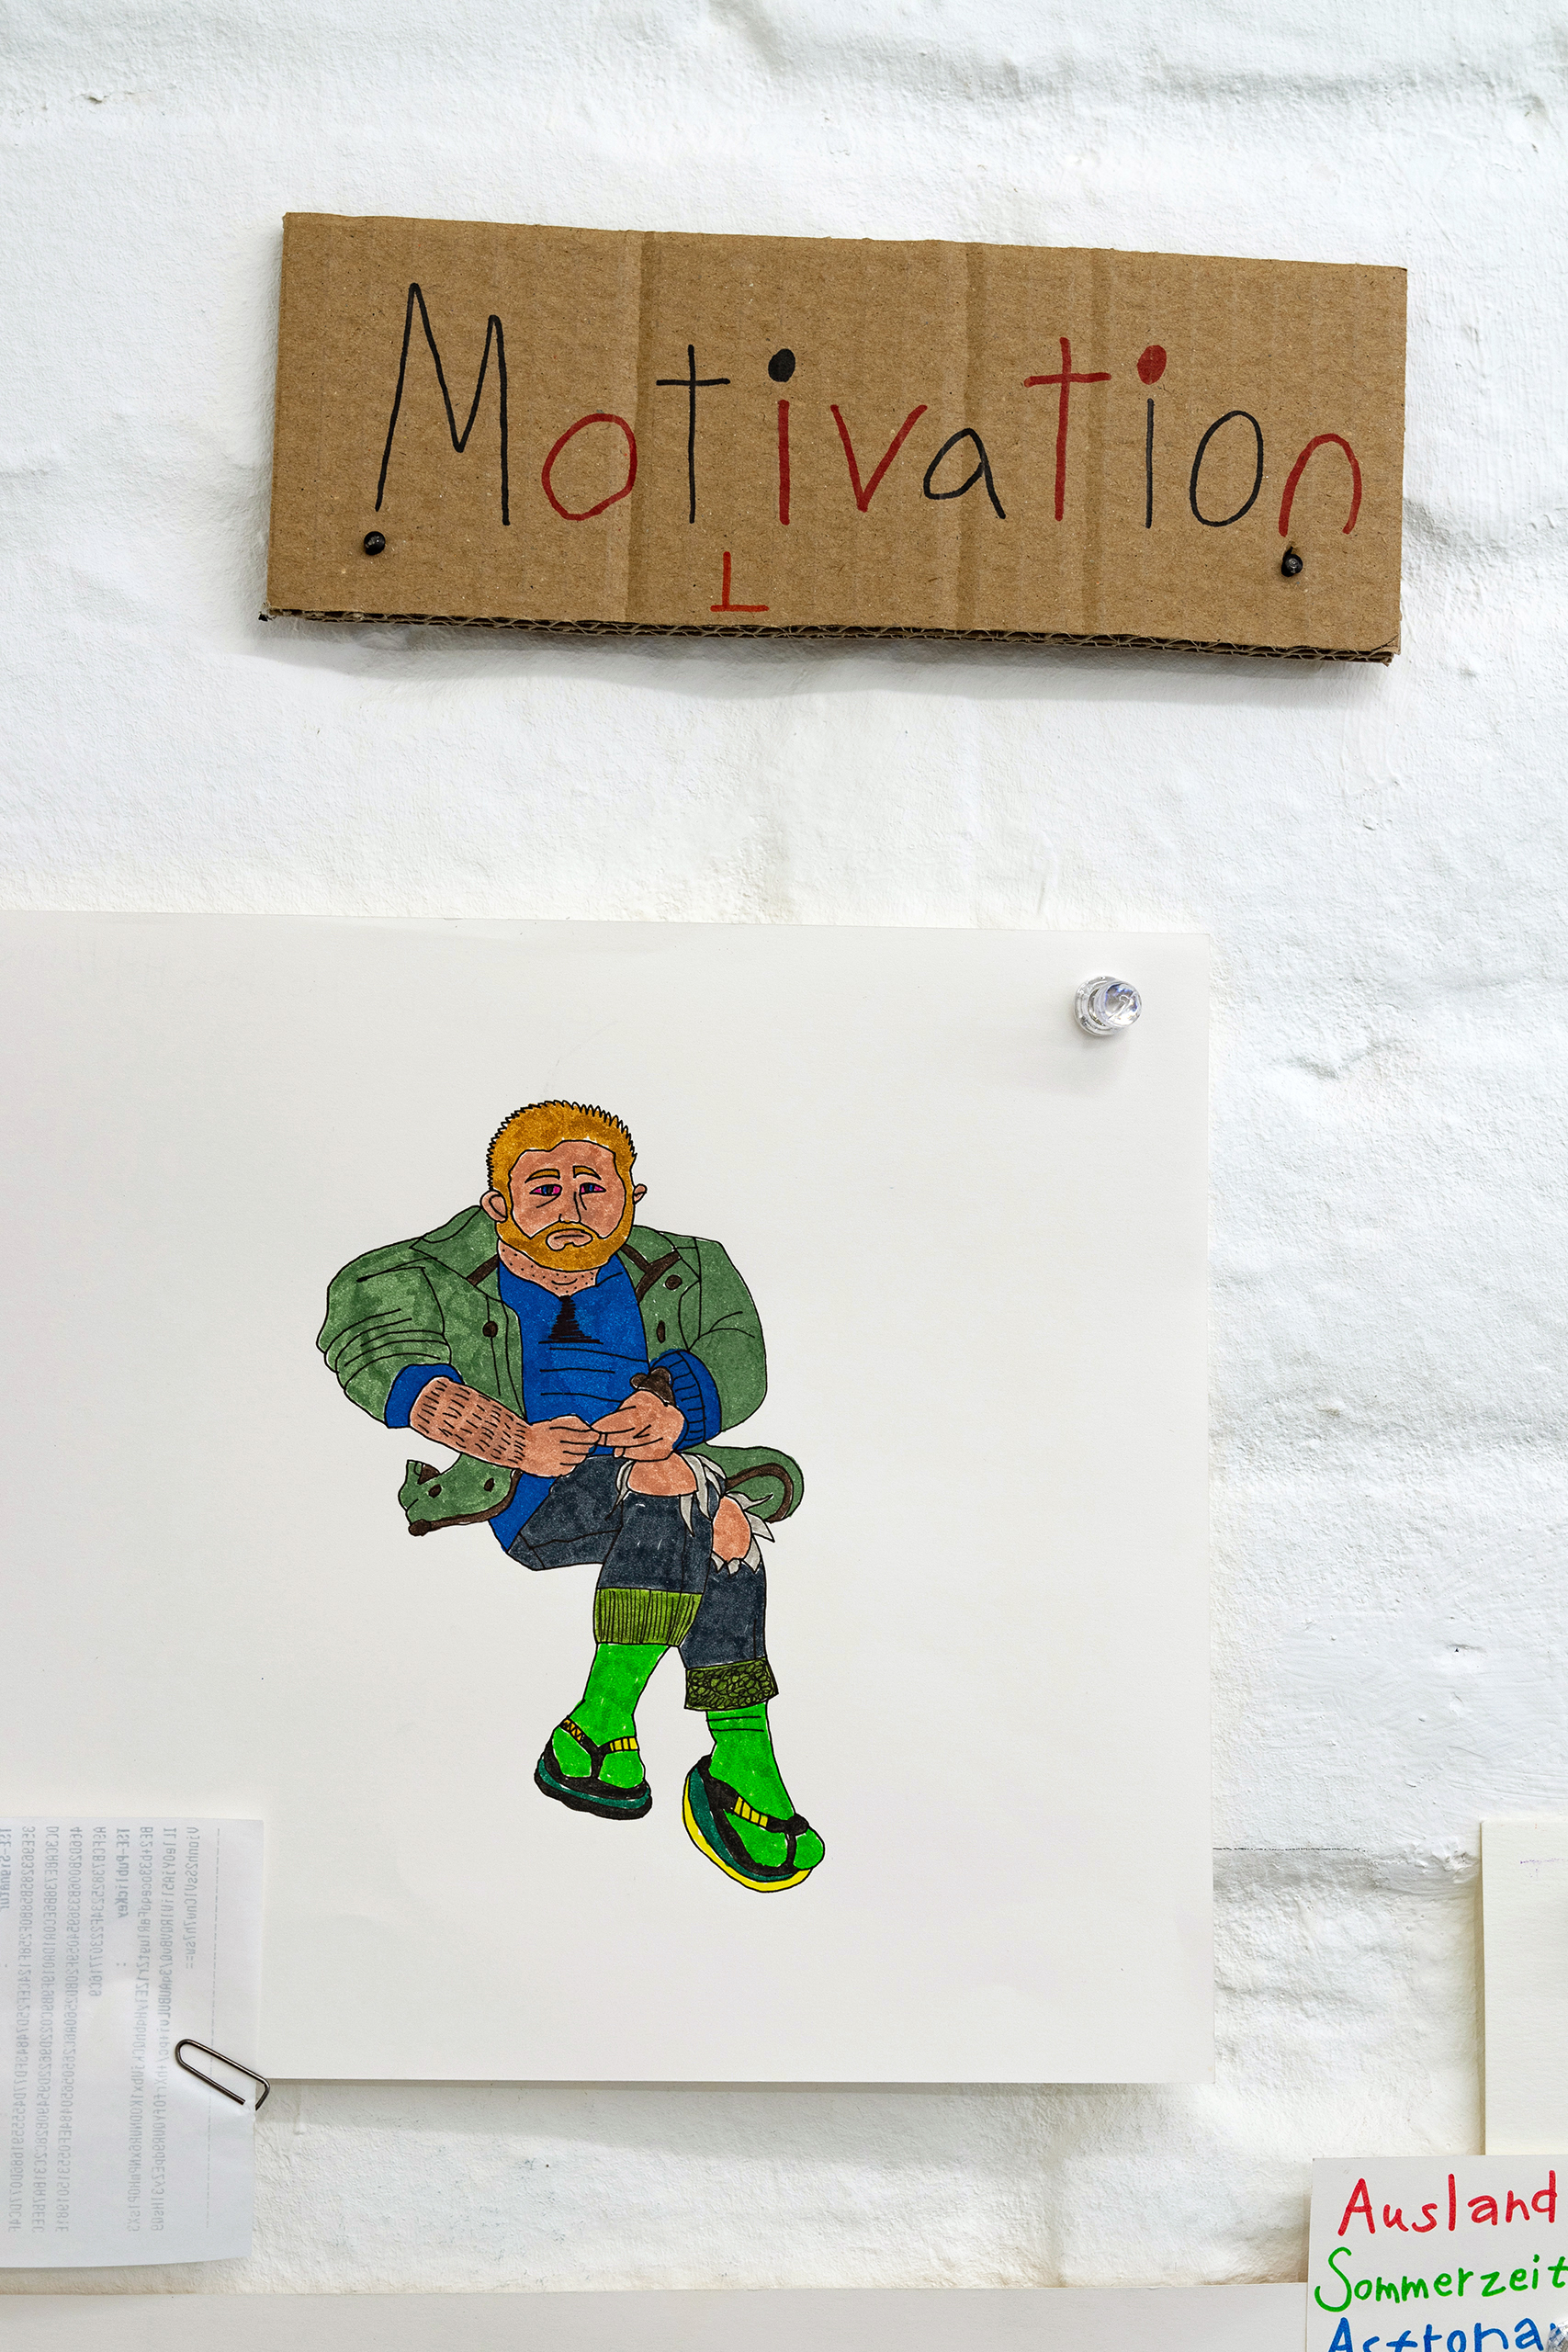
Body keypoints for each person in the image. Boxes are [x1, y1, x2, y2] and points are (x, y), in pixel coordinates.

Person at [318, 1099, 823, 1893]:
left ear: (631, 1197)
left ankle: (715, 1747)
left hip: (659, 1472)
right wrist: (510, 1439)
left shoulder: (693, 1266)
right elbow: (376, 1351)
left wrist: (672, 1406)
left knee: (722, 1523)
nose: (571, 1209)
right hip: (531, 1490)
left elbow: (738, 1355)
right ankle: (626, 1723)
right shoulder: (417, 1271)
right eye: (544, 1189)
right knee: (684, 1487)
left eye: (592, 1187)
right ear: (499, 1205)